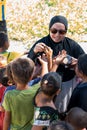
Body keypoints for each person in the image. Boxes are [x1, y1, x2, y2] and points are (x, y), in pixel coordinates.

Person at [27, 15, 85, 112]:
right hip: (45, 83)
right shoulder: (41, 43)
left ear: (66, 32)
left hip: (66, 83)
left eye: (62, 32)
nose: (57, 34)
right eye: (54, 31)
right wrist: (34, 51)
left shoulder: (71, 45)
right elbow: (28, 64)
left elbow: (84, 60)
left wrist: (72, 61)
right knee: (44, 109)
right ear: (49, 29)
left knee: (62, 109)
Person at [2, 57, 40, 130]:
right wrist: (45, 63)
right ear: (31, 76)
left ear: (12, 75)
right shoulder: (36, 89)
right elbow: (45, 76)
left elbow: (7, 118)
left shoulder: (9, 95)